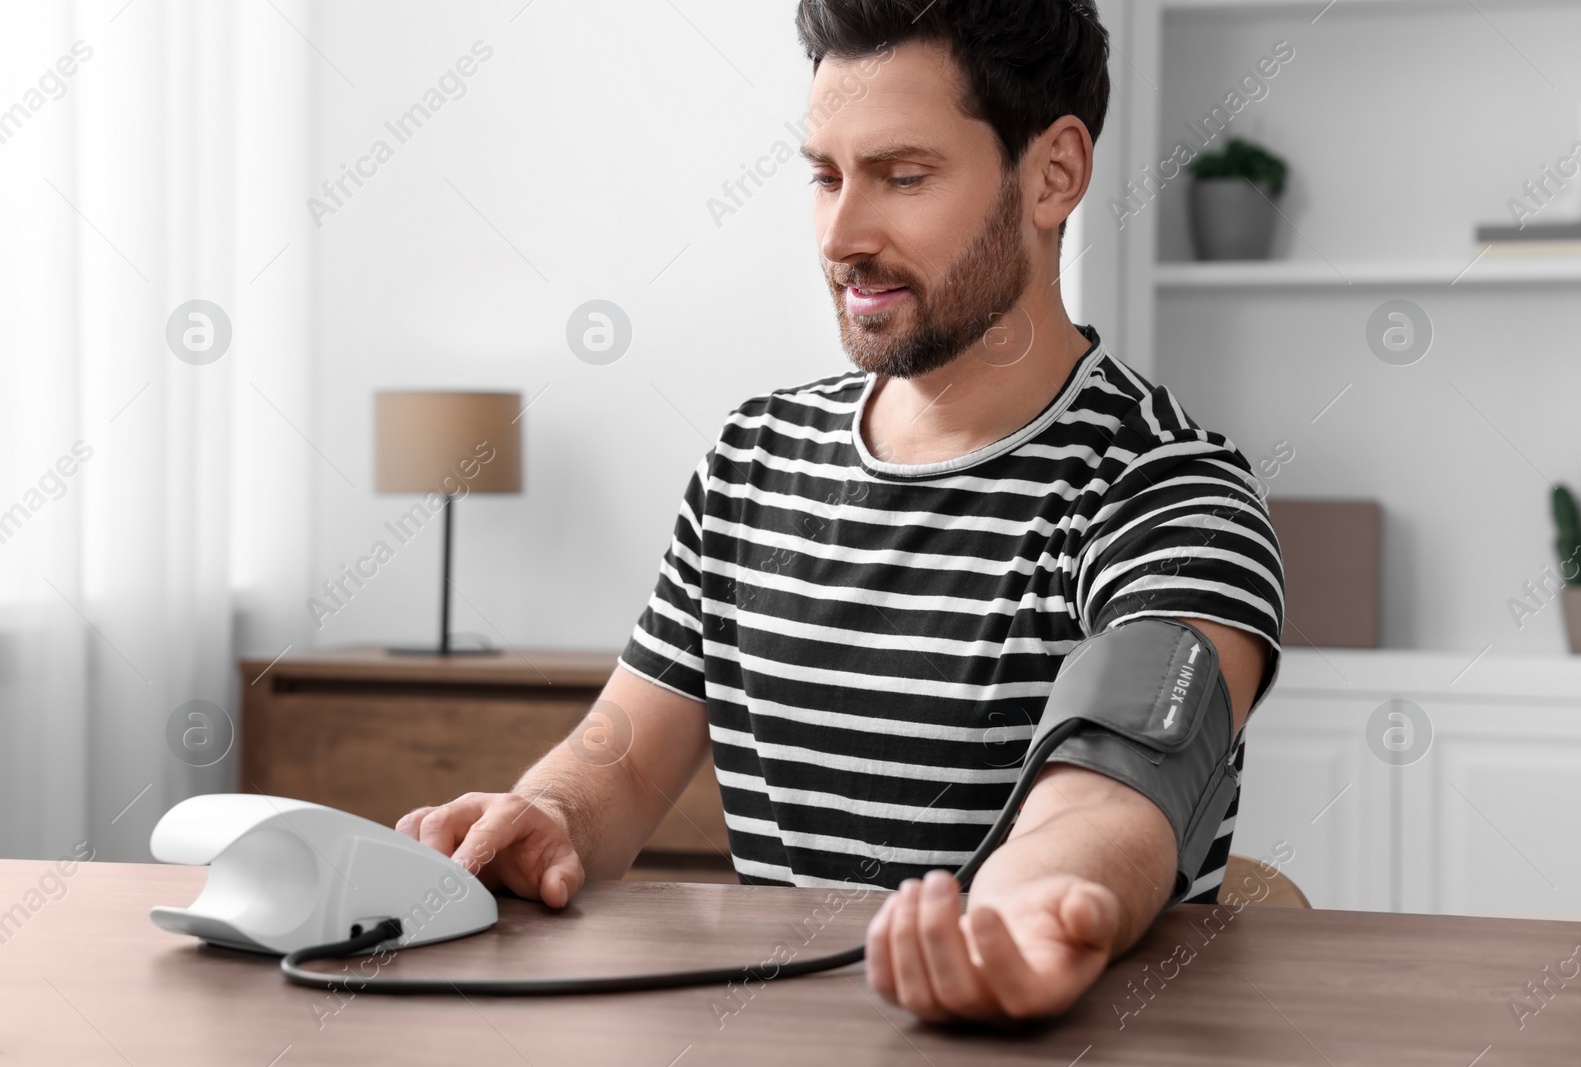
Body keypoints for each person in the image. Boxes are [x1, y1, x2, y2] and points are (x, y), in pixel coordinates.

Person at [397, 0, 1285, 1023]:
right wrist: (548, 812)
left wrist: (1023, 915)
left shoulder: (1173, 496)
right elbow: (627, 755)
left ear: (1053, 174)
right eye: (824, 174)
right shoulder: (749, 460)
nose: (841, 233)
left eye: (903, 176)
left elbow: (1109, 792)